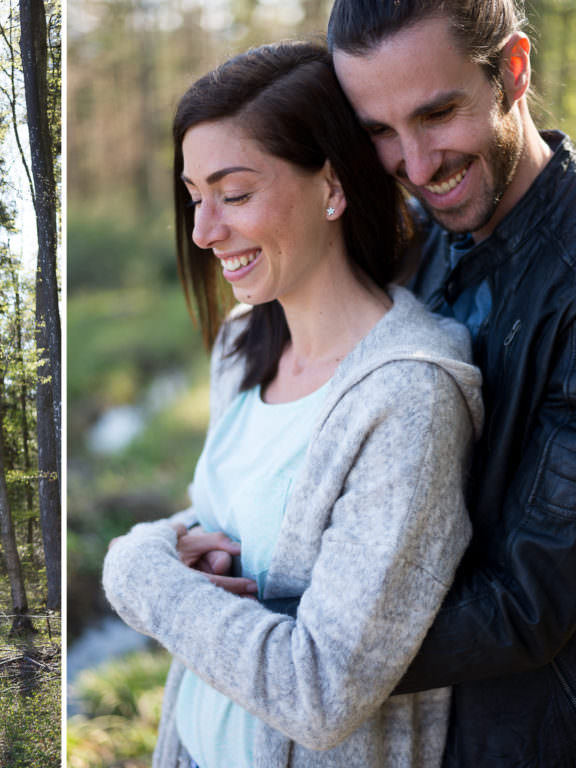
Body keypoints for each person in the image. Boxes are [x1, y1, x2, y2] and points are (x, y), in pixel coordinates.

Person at [101, 41, 484, 767]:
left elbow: (322, 690)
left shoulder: (410, 399)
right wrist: (163, 544)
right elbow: (228, 529)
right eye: (194, 196)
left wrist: (134, 571)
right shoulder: (244, 345)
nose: (203, 231)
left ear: (332, 187)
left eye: (235, 194)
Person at [326, 1, 576, 764]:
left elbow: (526, 603)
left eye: (438, 114)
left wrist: (287, 627)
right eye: (377, 130)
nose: (416, 162)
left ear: (514, 70)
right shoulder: (416, 236)